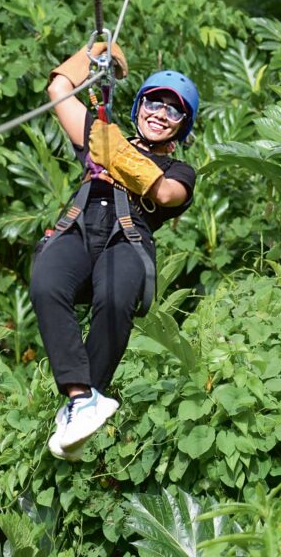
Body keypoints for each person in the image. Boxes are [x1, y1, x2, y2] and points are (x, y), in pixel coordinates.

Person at [30, 42, 199, 461]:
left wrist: (110, 149)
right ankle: (80, 395)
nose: (160, 114)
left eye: (172, 110)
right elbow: (59, 88)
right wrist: (97, 52)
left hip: (127, 238)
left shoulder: (178, 170)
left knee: (116, 295)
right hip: (80, 227)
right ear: (139, 107)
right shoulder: (103, 137)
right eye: (153, 104)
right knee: (46, 281)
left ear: (183, 125)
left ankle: (83, 403)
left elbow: (165, 192)